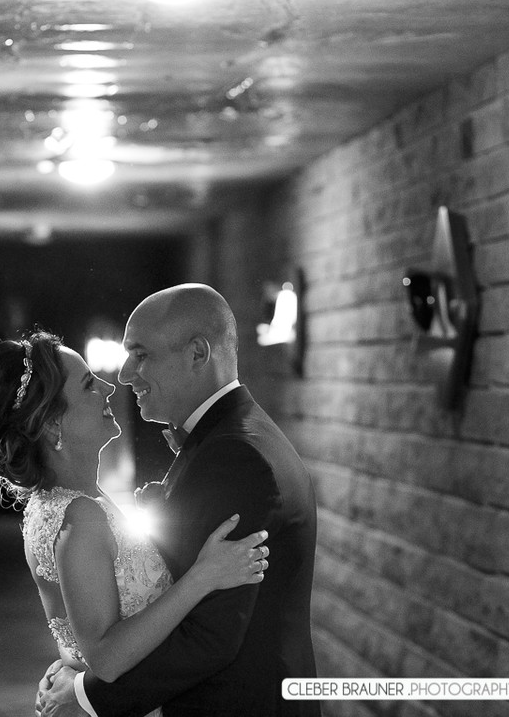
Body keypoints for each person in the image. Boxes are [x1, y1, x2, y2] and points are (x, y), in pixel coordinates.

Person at [37, 284, 320, 717]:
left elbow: (210, 637)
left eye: (141, 355)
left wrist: (86, 697)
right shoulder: (227, 439)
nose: (125, 374)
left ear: (197, 354)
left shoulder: (236, 456)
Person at [0, 330, 271, 717]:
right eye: (88, 384)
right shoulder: (81, 517)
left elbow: (76, 635)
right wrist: (202, 577)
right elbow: (106, 657)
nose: (109, 387)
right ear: (53, 424)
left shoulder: (52, 506)